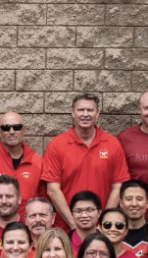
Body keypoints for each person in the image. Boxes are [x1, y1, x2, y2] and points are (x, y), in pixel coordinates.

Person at [42, 92, 129, 228]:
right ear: (73, 113)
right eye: (81, 110)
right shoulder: (57, 145)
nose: (85, 114)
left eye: (90, 110)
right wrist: (73, 225)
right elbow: (52, 189)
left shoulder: (112, 144)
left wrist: (104, 222)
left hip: (100, 229)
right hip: (66, 228)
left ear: (97, 113)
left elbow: (118, 187)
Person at [0, 110, 45, 215]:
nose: (11, 131)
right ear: (0, 132)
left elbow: (45, 201)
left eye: (16, 127)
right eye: (6, 128)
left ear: (24, 130)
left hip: (30, 227)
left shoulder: (38, 161)